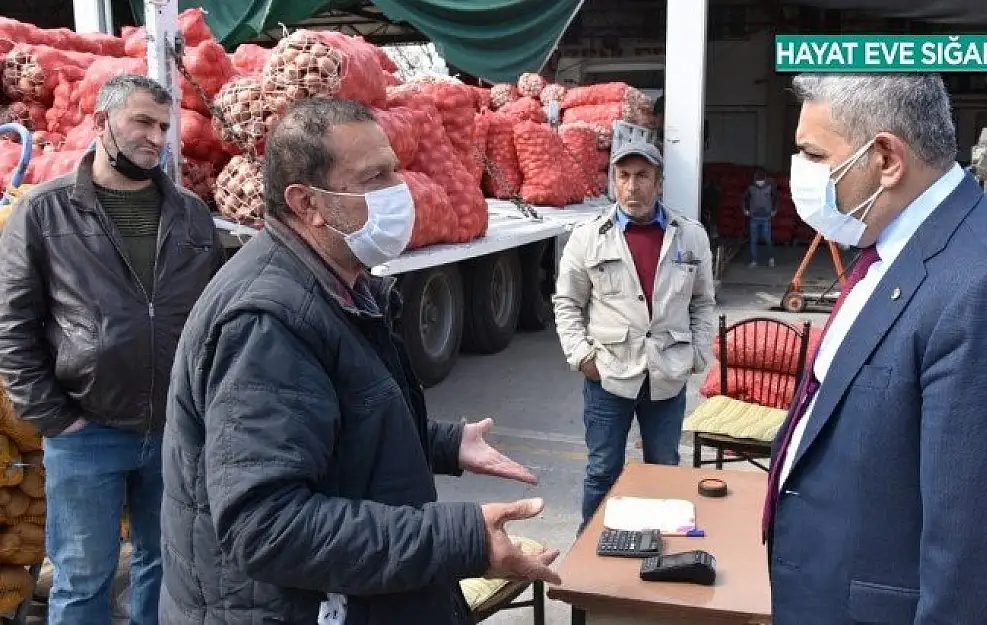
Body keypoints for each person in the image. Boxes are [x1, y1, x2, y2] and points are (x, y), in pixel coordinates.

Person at [159, 97, 560, 625]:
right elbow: (266, 528)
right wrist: (463, 539)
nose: (401, 190)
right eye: (374, 178)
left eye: (396, 169)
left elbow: (333, 422)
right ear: (307, 204)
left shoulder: (344, 285)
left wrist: (438, 442)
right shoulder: (267, 322)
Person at [764, 73, 987, 624]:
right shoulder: (896, 251)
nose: (801, 172)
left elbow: (979, 577)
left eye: (813, 154)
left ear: (886, 158)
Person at [0, 74, 224, 624]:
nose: (156, 137)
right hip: (86, 433)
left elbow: (216, 320)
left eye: (164, 127)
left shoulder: (191, 214)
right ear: (102, 124)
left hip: (174, 429)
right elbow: (11, 326)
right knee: (81, 579)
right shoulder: (44, 213)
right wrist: (55, 418)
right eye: (142, 122)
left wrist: (206, 409)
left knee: (167, 568)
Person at [554, 140, 715, 531]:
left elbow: (704, 302)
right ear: (613, 180)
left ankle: (661, 550)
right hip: (609, 376)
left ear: (659, 182)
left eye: (642, 176)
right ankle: (589, 553)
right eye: (623, 176)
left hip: (667, 376)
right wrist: (582, 357)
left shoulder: (689, 236)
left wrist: (697, 354)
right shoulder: (589, 236)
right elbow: (566, 303)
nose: (632, 186)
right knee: (602, 471)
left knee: (664, 469)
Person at [743, 168, 778, 267]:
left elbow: (776, 199)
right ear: (754, 180)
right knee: (753, 240)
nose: (759, 183)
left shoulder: (770, 187)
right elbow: (745, 199)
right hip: (754, 217)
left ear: (765, 179)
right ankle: (754, 260)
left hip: (766, 217)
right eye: (757, 181)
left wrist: (774, 210)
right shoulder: (750, 188)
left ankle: (771, 258)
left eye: (761, 181)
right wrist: (745, 209)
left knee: (768, 239)